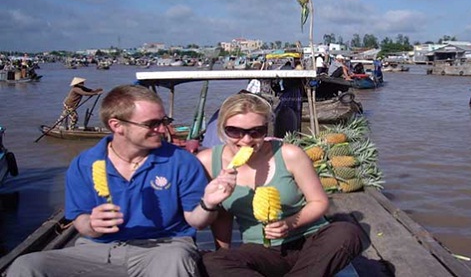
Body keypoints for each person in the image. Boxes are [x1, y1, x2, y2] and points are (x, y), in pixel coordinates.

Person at [8, 85, 237, 277]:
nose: (163, 129)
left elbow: (196, 221)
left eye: (164, 120)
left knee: (174, 260)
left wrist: (208, 203)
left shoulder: (181, 161)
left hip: (164, 247)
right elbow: (80, 220)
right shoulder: (85, 164)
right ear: (117, 126)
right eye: (152, 124)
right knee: (26, 266)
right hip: (97, 250)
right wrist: (92, 224)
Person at [197, 93, 363, 276]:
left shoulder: (289, 154)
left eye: (256, 132)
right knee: (210, 261)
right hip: (261, 250)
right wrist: (224, 254)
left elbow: (319, 202)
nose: (246, 140)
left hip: (310, 242)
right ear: (221, 128)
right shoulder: (208, 162)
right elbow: (222, 216)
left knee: (347, 232)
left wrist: (289, 224)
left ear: (266, 129)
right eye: (235, 131)